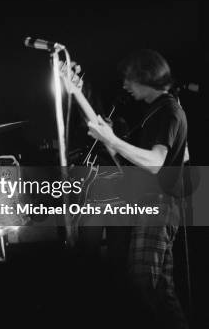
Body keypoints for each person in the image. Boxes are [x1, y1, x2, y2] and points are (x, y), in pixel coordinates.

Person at [86, 49, 188, 329]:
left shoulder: (167, 110)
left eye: (129, 79)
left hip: (159, 204)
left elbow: (155, 163)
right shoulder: (159, 110)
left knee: (142, 283)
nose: (125, 85)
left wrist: (111, 139)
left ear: (145, 76)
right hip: (158, 204)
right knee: (161, 291)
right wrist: (112, 139)